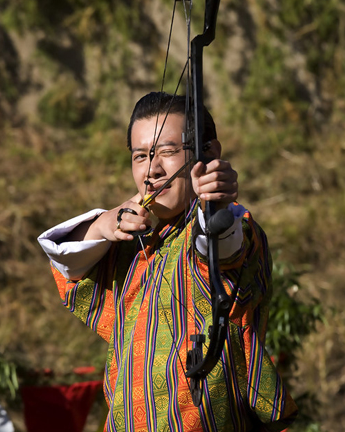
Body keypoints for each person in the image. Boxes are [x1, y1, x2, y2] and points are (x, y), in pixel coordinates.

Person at [37, 92, 298, 431]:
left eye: (169, 151)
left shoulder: (233, 228)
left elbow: (220, 245)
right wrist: (104, 222)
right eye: (140, 156)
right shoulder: (132, 250)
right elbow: (67, 260)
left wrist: (214, 203)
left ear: (209, 154)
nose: (152, 170)